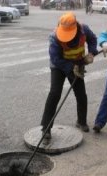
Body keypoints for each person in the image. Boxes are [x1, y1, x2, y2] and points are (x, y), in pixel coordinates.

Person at [40, 12, 98, 141]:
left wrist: (92, 53)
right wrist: (71, 68)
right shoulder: (54, 36)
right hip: (59, 66)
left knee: (81, 94)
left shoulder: (84, 30)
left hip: (77, 63)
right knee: (54, 93)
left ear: (76, 27)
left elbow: (93, 39)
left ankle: (81, 121)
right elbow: (55, 58)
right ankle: (46, 128)